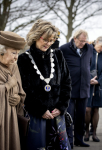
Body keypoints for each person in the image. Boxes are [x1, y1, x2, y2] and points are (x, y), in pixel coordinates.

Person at [17, 19, 72, 150]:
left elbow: (66, 82)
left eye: (52, 40)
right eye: (46, 39)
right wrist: (40, 110)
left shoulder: (58, 55)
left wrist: (61, 106)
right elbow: (25, 89)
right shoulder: (24, 59)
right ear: (36, 36)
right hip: (36, 116)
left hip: (57, 114)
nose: (49, 43)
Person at [60, 29, 93, 148]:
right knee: (69, 117)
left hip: (84, 88)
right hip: (69, 89)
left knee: (80, 117)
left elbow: (90, 64)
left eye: (85, 41)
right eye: (81, 41)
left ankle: (79, 140)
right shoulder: (64, 49)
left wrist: (89, 76)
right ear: (74, 39)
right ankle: (69, 142)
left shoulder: (89, 48)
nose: (83, 43)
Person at [0, 31, 26, 150]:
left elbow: (21, 92)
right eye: (13, 53)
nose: (16, 57)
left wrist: (18, 98)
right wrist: (7, 86)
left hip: (11, 118)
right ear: (1, 51)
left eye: (18, 53)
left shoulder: (14, 66)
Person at [84, 36, 102, 142]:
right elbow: (84, 66)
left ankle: (94, 133)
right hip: (87, 84)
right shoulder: (88, 49)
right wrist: (89, 79)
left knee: (96, 109)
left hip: (99, 86)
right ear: (97, 42)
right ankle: (86, 132)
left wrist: (98, 81)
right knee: (87, 109)